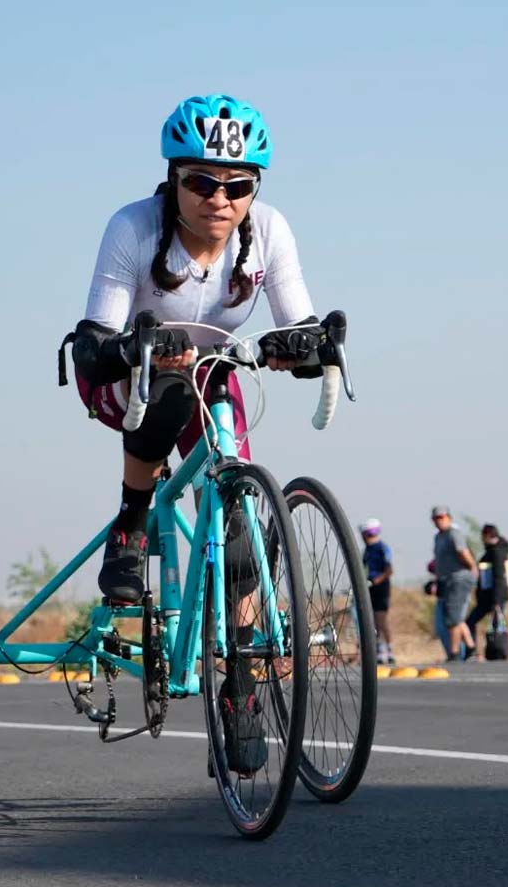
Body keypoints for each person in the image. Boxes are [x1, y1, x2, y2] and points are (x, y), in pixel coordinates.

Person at [65, 94, 322, 774]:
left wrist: (311, 344)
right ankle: (132, 520)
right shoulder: (135, 228)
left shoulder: (268, 231)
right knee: (173, 391)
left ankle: (237, 685)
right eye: (203, 181)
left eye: (238, 185)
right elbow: (94, 338)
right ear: (174, 178)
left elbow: (296, 318)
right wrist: (130, 348)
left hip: (214, 367)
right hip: (128, 370)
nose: (221, 198)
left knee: (237, 508)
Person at [431, 506, 479, 661]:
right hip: (446, 579)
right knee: (454, 616)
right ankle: (471, 648)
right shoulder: (438, 537)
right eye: (436, 518)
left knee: (453, 616)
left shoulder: (453, 534)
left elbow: (463, 552)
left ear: (449, 518)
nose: (439, 521)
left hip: (459, 578)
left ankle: (454, 652)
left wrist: (472, 568)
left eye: (442, 517)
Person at [466, 524, 508, 657]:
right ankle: (487, 652)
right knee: (491, 625)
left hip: (493, 598)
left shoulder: (496, 552)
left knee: (495, 626)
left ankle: (497, 652)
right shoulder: (494, 550)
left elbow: (499, 578)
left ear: (487, 535)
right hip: (488, 598)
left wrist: (496, 601)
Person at [360, 518, 395, 665]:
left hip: (380, 586)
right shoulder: (367, 550)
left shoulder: (382, 548)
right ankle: (378, 649)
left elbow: (389, 570)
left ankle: (388, 649)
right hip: (369, 586)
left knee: (381, 619)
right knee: (372, 620)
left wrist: (377, 580)